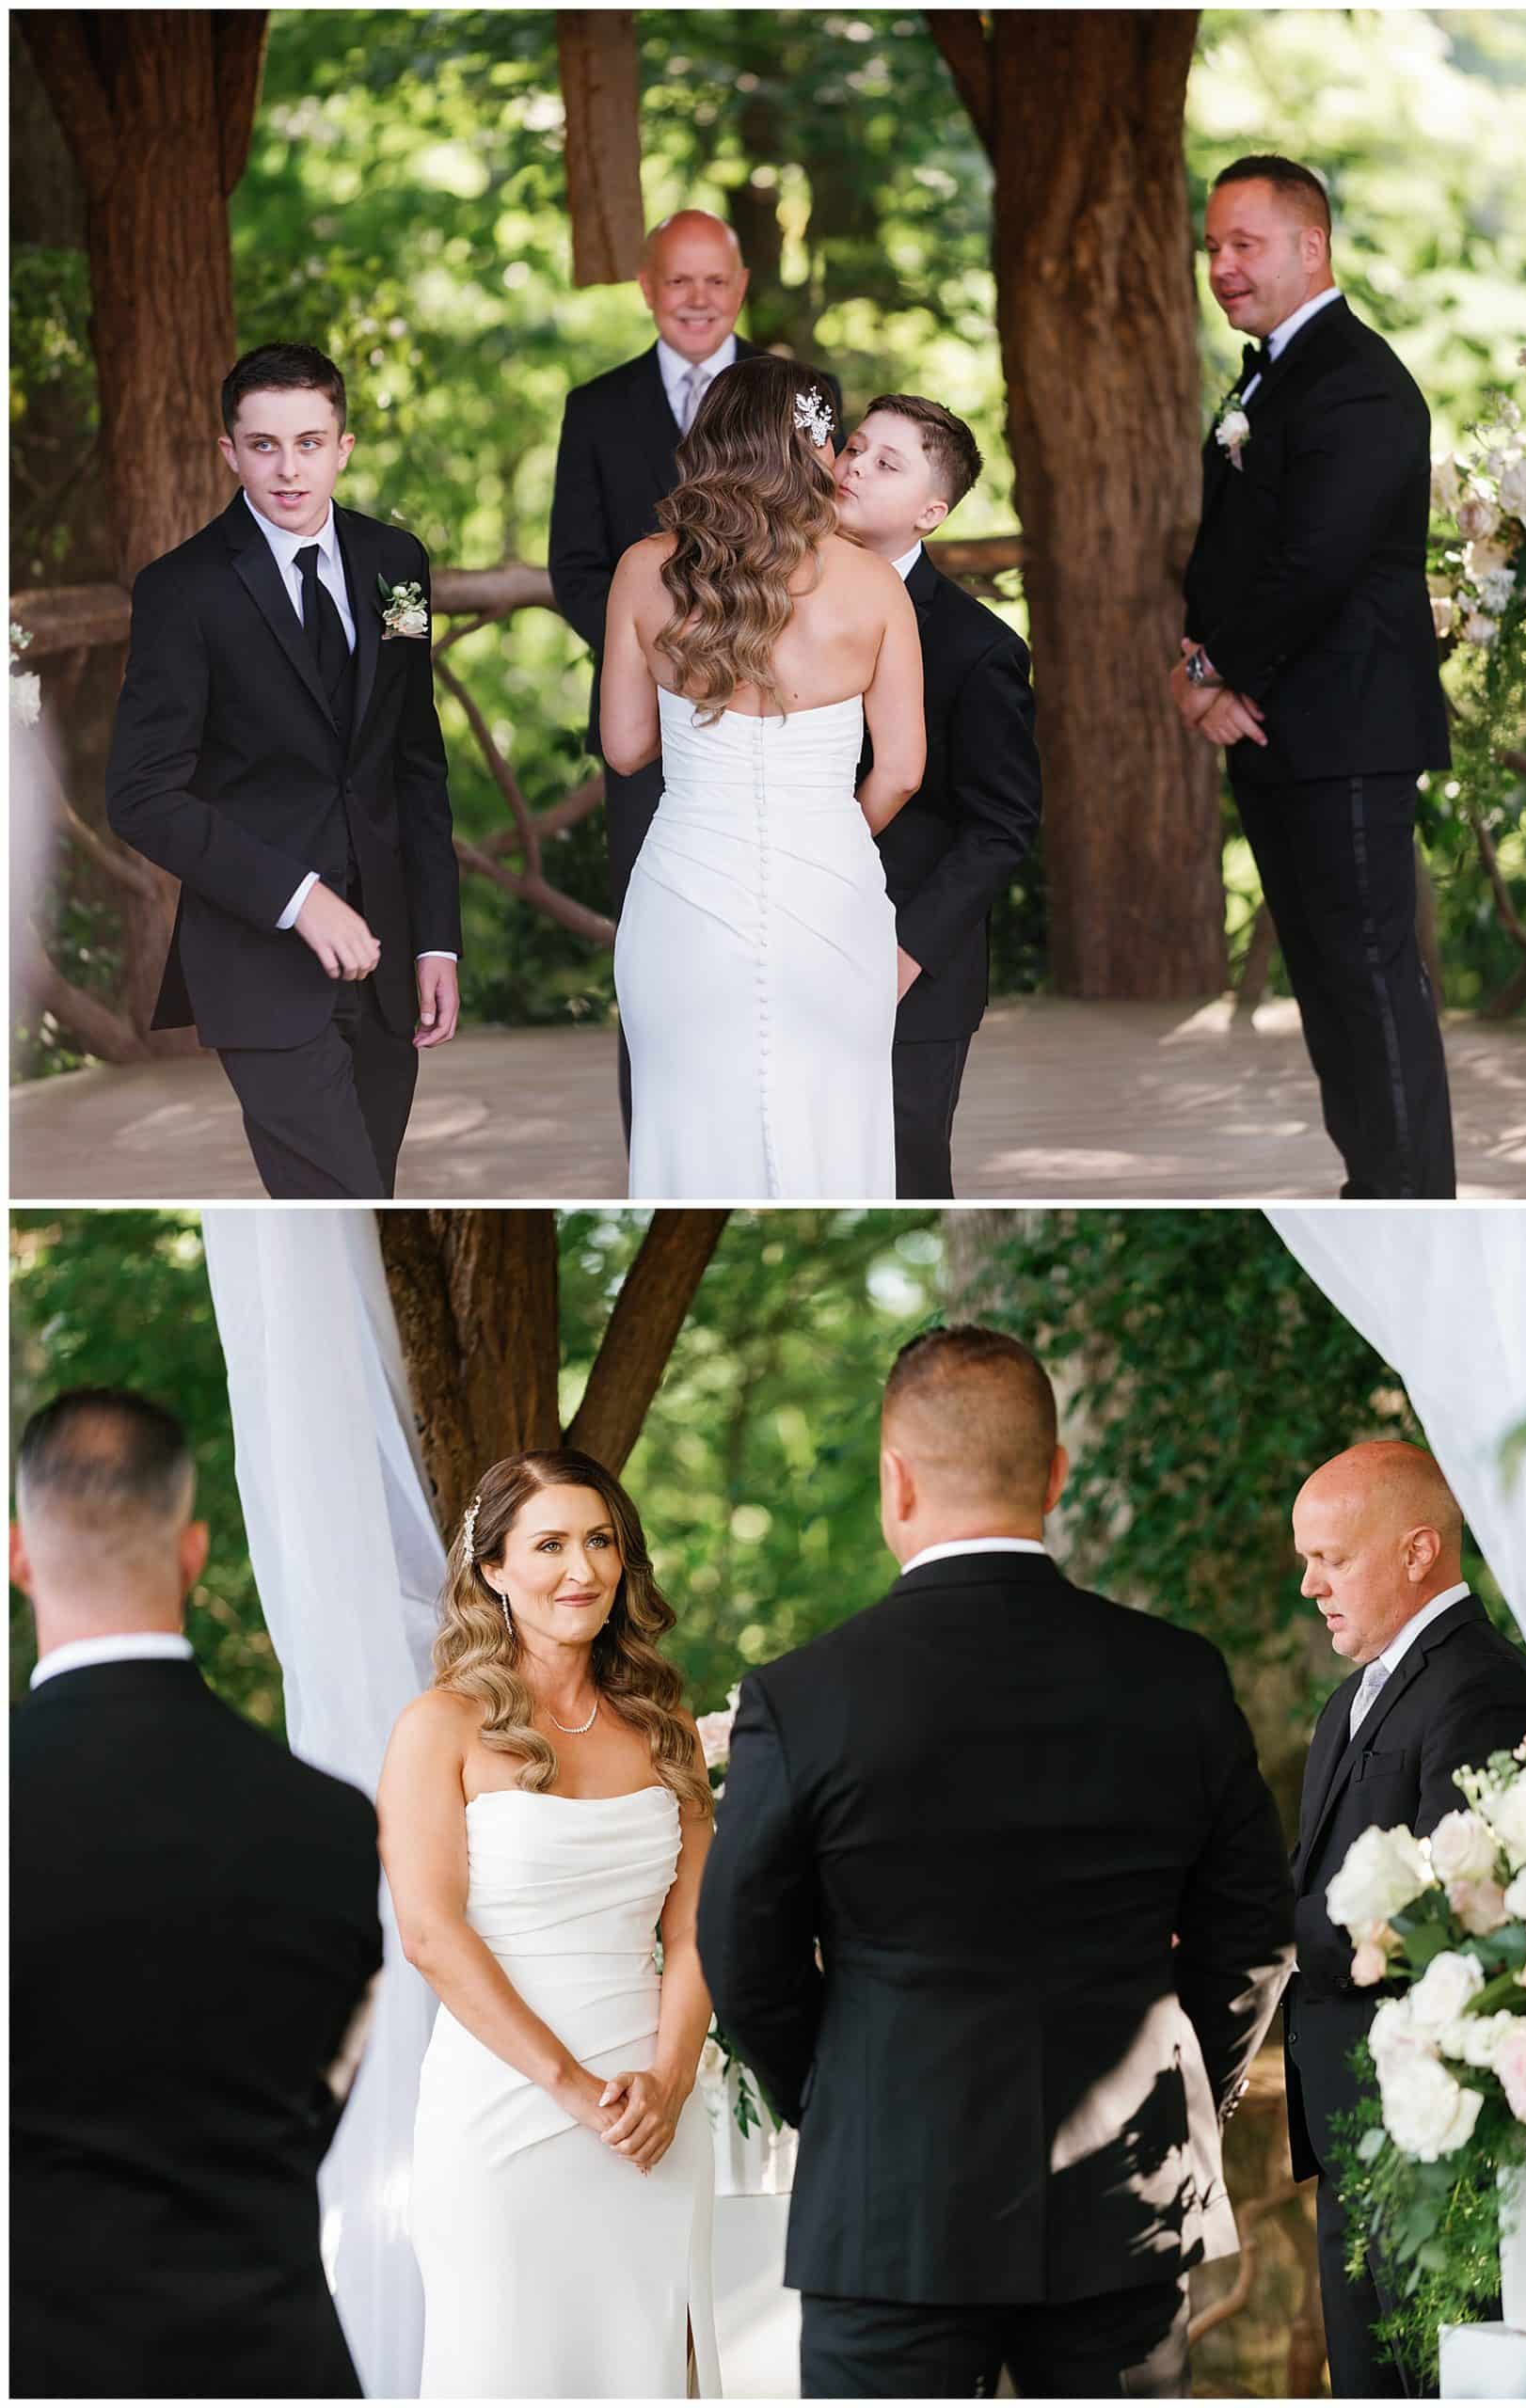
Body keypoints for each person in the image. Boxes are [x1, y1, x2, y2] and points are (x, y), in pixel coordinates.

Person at [697, 1326, 1296, 2399]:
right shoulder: (1175, 1678)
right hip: (1128, 2190)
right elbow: (1250, 1932)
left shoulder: (804, 1697)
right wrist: (1177, 2084)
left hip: (891, 2200)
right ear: (1056, 1474)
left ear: (894, 1478)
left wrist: (841, 2103)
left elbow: (743, 1954)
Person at [10, 1388, 382, 2398]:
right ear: (191, 1552)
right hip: (270, 2358)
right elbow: (318, 2099)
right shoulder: (333, 1823)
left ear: (18, 1555)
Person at [378, 1449, 721, 2399]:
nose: (583, 1571)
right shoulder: (436, 1727)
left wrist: (668, 2078)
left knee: (644, 2366)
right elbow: (430, 1933)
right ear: (492, 1568)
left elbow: (697, 1930)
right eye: (550, 1544)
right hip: (503, 2111)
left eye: (600, 1541)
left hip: (649, 2112)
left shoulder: (662, 1725)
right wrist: (571, 2086)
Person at [105, 341, 462, 1198]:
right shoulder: (180, 590)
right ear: (230, 452)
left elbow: (415, 757)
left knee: (369, 1196)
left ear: (343, 445)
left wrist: (438, 937)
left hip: (388, 960)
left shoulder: (398, 568)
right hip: (257, 964)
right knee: (330, 1200)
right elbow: (140, 796)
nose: (289, 469)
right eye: (264, 445)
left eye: (310, 442)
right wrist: (300, 897)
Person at [1177, 156, 1455, 1200]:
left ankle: (1410, 1193)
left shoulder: (1356, 379)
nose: (1222, 266)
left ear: (1311, 246)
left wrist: (1209, 667)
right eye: (1212, 246)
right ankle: (1371, 1180)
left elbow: (1318, 563)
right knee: (1328, 984)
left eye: (1243, 244)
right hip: (1279, 728)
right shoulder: (1269, 373)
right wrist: (1204, 667)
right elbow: (1232, 552)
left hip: (1345, 730)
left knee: (1371, 983)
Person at [548, 209, 843, 1138]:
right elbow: (576, 566)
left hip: (795, 719)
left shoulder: (808, 395)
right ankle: (664, 1138)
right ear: (646, 287)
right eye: (679, 280)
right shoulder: (594, 407)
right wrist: (659, 660)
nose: (698, 299)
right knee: (661, 951)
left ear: (741, 286)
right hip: (662, 720)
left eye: (715, 280)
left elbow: (831, 541)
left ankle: (788, 1131)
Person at [601, 355, 925, 1199]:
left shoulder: (645, 570)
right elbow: (901, 768)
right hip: (831, 893)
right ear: (813, 452)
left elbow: (626, 747)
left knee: (686, 1125)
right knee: (839, 1121)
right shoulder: (876, 585)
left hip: (683, 898)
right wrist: (827, 829)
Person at [1283, 1441, 1526, 2397]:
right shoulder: (1349, 1699)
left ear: (1417, 1548)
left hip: (1426, 2139)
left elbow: (1445, 1911)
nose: (1310, 1584)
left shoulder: (1475, 1683)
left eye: (1331, 1557)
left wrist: (1262, 1932)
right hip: (1354, 2124)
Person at [835, 398, 1042, 1197]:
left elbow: (1001, 825)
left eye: (887, 463)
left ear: (932, 512)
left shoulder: (978, 646)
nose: (855, 466)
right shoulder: (778, 602)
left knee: (901, 1174)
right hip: (786, 937)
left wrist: (903, 955)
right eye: (854, 448)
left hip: (910, 966)